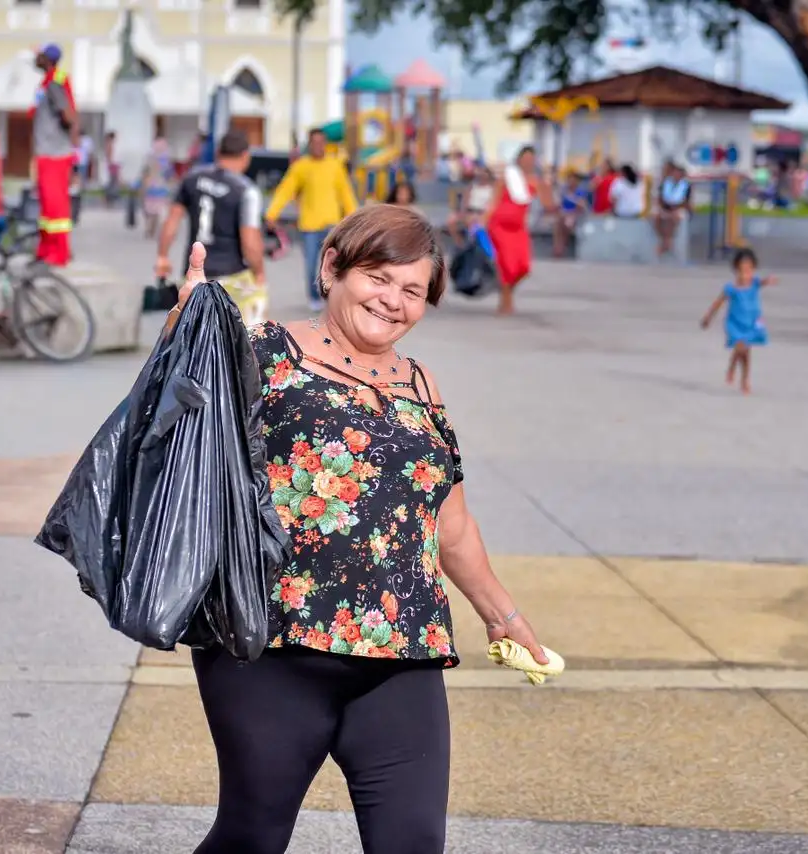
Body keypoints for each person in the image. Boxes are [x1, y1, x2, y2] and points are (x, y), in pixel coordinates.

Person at [162, 205, 549, 853]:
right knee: (251, 837)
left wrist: (502, 614)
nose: (393, 301)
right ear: (332, 269)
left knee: (413, 842)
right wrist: (185, 332)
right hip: (273, 647)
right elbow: (173, 420)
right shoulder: (263, 352)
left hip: (401, 652)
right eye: (378, 277)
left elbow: (449, 524)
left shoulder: (421, 384)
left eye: (413, 291)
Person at [154, 130, 267, 325]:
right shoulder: (246, 190)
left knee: (195, 340)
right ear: (245, 156)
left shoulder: (192, 179)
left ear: (217, 153)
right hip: (233, 276)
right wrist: (259, 272)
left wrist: (162, 256)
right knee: (247, 340)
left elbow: (172, 221)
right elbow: (250, 242)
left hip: (194, 275)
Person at [265, 127, 359, 311]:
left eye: (321, 142)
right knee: (311, 265)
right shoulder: (301, 167)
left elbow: (345, 193)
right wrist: (271, 213)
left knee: (337, 265)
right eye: (314, 143)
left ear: (325, 144)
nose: (318, 146)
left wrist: (354, 217)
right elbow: (285, 190)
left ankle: (334, 295)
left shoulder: (335, 165)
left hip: (333, 225)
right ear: (309, 145)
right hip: (309, 226)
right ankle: (314, 296)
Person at [700, 247, 778, 395]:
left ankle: (743, 377)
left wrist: (769, 280)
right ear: (736, 270)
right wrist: (708, 318)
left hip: (751, 321)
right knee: (741, 347)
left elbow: (762, 282)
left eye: (749, 270)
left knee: (744, 350)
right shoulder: (731, 288)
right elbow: (718, 303)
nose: (746, 275)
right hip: (735, 323)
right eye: (742, 270)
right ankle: (734, 370)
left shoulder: (754, 283)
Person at [32, 43, 80, 266]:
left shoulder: (53, 83)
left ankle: (59, 253)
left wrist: (66, 127)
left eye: (39, 55)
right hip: (47, 152)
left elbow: (68, 114)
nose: (36, 58)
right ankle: (46, 248)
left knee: (55, 204)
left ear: (47, 59)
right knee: (47, 205)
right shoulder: (47, 82)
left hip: (55, 153)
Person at [486, 145, 548, 316]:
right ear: (519, 159)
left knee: (523, 267)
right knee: (506, 265)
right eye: (525, 158)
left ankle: (507, 294)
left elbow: (548, 204)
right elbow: (494, 200)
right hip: (499, 225)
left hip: (519, 228)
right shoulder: (507, 177)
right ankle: (506, 302)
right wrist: (482, 222)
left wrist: (545, 183)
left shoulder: (535, 181)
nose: (528, 162)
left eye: (531, 159)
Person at [654, 161, 692, 258]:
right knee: (657, 217)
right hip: (667, 208)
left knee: (675, 217)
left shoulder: (686, 185)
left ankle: (666, 243)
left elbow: (686, 201)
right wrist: (665, 207)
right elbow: (661, 198)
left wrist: (675, 207)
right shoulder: (666, 183)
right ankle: (666, 241)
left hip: (679, 208)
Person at [142, 136, 175, 239]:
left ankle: (150, 229)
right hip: (160, 189)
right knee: (158, 211)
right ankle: (155, 229)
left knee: (152, 211)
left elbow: (145, 172)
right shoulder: (165, 160)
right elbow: (170, 175)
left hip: (153, 188)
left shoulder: (151, 157)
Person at [553, 170, 588, 257]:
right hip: (564, 214)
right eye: (569, 180)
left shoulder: (580, 192)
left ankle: (561, 247)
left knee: (567, 223)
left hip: (575, 214)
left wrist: (573, 209)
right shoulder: (564, 191)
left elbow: (581, 207)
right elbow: (560, 205)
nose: (571, 182)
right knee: (558, 223)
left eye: (573, 180)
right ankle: (558, 247)